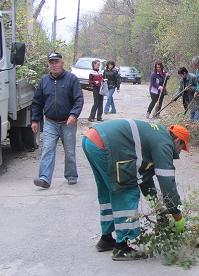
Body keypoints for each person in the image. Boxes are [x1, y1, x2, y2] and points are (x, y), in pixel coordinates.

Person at [82, 119, 190, 261]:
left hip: (91, 140)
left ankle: (106, 239)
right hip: (105, 144)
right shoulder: (165, 144)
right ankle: (121, 247)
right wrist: (177, 214)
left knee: (108, 191)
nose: (180, 152)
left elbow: (145, 179)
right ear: (177, 140)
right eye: (182, 148)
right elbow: (167, 182)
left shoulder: (156, 135)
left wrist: (158, 208)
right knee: (126, 189)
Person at [31, 51, 84, 188]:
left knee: (70, 151)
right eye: (51, 63)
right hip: (50, 122)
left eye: (56, 62)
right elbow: (37, 102)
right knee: (47, 149)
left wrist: (73, 115)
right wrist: (35, 120)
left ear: (62, 63)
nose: (54, 65)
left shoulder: (71, 79)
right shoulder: (44, 81)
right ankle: (44, 178)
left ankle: (71, 175)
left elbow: (79, 99)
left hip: (68, 122)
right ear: (48, 65)